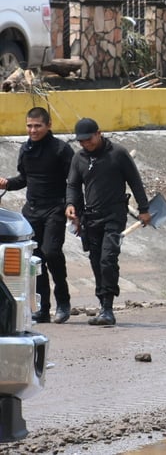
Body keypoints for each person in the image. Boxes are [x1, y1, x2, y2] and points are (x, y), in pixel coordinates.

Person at [65, 118, 151, 326]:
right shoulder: (79, 158)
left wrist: (144, 209)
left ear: (99, 133)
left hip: (114, 215)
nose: (86, 144)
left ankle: (108, 308)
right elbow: (74, 186)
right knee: (96, 261)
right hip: (91, 218)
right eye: (81, 141)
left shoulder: (118, 153)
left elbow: (135, 181)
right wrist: (71, 206)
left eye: (89, 139)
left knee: (108, 259)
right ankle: (103, 305)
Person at [0, 108, 74, 324]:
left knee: (52, 252)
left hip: (55, 209)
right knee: (35, 261)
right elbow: (25, 179)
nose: (33, 130)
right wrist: (7, 183)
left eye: (37, 126)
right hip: (32, 211)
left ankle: (63, 302)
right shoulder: (26, 149)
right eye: (29, 126)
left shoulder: (61, 149)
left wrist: (71, 205)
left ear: (48, 125)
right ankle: (42, 308)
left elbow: (74, 182)